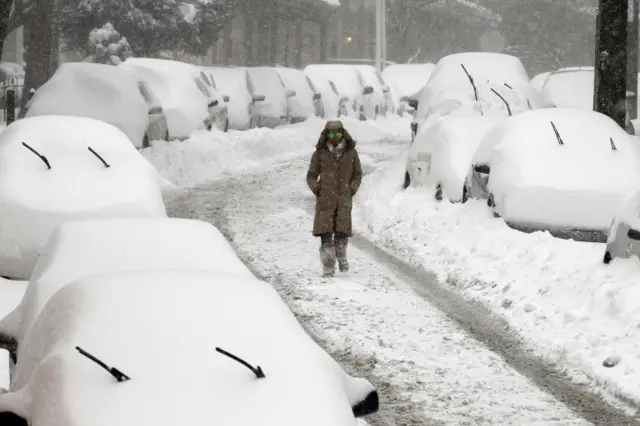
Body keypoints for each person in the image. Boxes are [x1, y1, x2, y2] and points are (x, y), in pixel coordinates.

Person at [306, 120, 363, 277]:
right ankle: (328, 265)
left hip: (343, 199)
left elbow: (357, 174)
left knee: (341, 233)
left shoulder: (351, 153)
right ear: (326, 135)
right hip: (325, 201)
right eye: (331, 133)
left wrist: (352, 188)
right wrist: (317, 189)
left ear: (343, 134)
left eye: (338, 133)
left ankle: (342, 257)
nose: (335, 136)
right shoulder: (320, 154)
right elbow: (311, 175)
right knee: (325, 234)